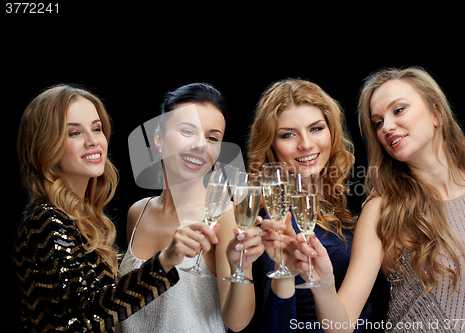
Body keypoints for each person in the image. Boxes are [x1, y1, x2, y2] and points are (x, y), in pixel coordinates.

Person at [293, 67, 465, 332]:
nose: (387, 127)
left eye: (398, 110)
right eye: (378, 122)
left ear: (437, 113)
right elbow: (340, 325)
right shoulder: (382, 209)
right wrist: (323, 283)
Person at [14, 84, 221, 332]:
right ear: (46, 144)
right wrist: (166, 260)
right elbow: (91, 313)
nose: (93, 141)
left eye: (96, 128)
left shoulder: (82, 217)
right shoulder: (45, 220)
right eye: (74, 133)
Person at [115, 83, 264, 333]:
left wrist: (243, 266)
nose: (200, 145)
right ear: (159, 138)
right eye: (187, 131)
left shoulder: (222, 215)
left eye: (212, 138)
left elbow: (237, 322)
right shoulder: (137, 212)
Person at [246, 78, 371, 332]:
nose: (305, 144)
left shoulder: (353, 202)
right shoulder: (264, 215)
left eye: (315, 128)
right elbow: (273, 325)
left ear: (332, 131)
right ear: (271, 144)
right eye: (288, 134)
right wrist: (288, 274)